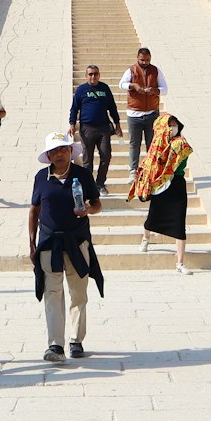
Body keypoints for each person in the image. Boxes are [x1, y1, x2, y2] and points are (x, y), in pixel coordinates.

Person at [28, 131, 103, 362]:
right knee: (53, 293)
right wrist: (32, 243)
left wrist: (88, 209)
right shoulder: (41, 178)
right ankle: (55, 345)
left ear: (71, 152)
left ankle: (76, 339)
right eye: (54, 151)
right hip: (49, 242)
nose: (59, 154)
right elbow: (34, 210)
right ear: (48, 155)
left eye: (63, 149)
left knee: (78, 292)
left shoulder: (82, 175)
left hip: (77, 241)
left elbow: (97, 204)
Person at [129, 114, 194, 272]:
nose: (173, 128)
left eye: (175, 125)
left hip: (177, 183)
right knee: (153, 215)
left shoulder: (180, 143)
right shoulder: (157, 146)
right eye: (170, 125)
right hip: (160, 184)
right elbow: (149, 165)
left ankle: (179, 263)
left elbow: (182, 160)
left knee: (179, 222)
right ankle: (146, 237)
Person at [67, 64, 121, 191]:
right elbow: (74, 108)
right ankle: (88, 185)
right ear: (86, 76)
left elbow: (112, 107)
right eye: (90, 74)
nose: (93, 76)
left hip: (103, 129)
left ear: (99, 75)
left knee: (106, 156)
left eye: (96, 74)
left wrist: (117, 124)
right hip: (87, 129)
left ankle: (100, 183)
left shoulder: (105, 88)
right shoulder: (81, 90)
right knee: (87, 159)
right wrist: (72, 124)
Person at [121, 48, 168, 177]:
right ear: (137, 58)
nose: (145, 62)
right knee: (134, 143)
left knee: (152, 143)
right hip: (134, 113)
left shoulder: (156, 71)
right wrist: (133, 86)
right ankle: (133, 170)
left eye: (147, 60)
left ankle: (151, 168)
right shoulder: (131, 70)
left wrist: (155, 90)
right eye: (142, 60)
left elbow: (164, 89)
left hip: (152, 113)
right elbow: (122, 84)